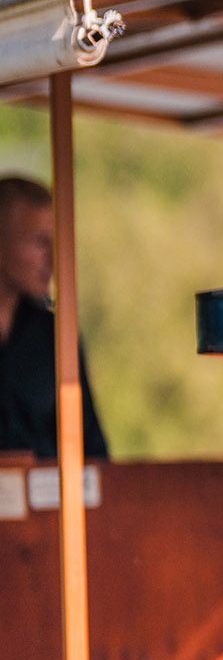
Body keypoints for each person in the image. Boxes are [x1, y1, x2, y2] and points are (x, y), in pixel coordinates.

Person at [0, 176, 107, 461]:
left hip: (51, 488)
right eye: (39, 242)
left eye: (55, 242)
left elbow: (92, 447)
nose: (53, 259)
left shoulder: (55, 333)